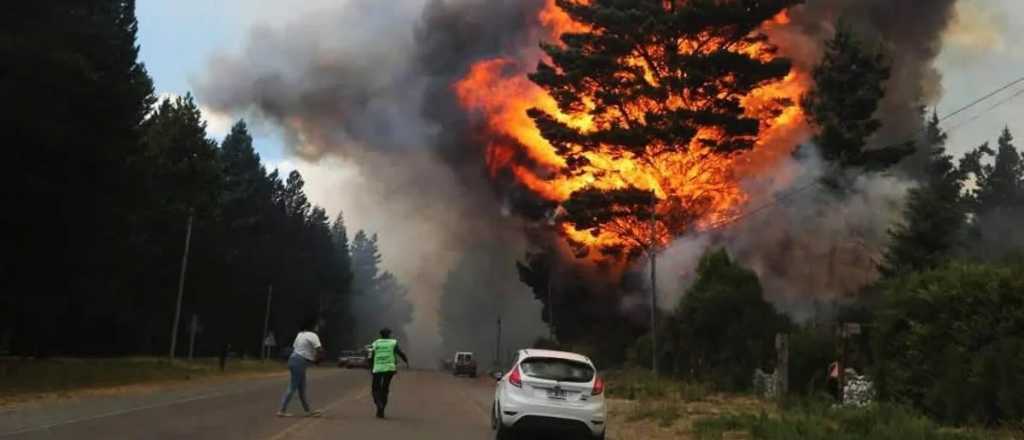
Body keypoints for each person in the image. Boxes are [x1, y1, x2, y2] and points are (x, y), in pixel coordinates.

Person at [277, 317, 323, 417]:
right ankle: (281, 411)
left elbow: (296, 348)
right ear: (312, 326)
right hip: (300, 361)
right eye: (316, 325)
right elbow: (319, 349)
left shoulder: (300, 334)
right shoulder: (313, 335)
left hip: (293, 359)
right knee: (292, 386)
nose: (317, 327)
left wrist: (313, 359)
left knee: (301, 388)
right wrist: (317, 360)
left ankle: (308, 411)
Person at [368, 328, 409, 419]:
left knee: (375, 388)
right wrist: (406, 360)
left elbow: (370, 356)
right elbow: (400, 353)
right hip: (390, 368)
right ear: (389, 334)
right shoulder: (393, 342)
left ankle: (379, 404)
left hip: (377, 368)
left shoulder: (375, 343)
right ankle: (381, 410)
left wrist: (370, 367)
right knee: (385, 388)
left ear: (380, 335)